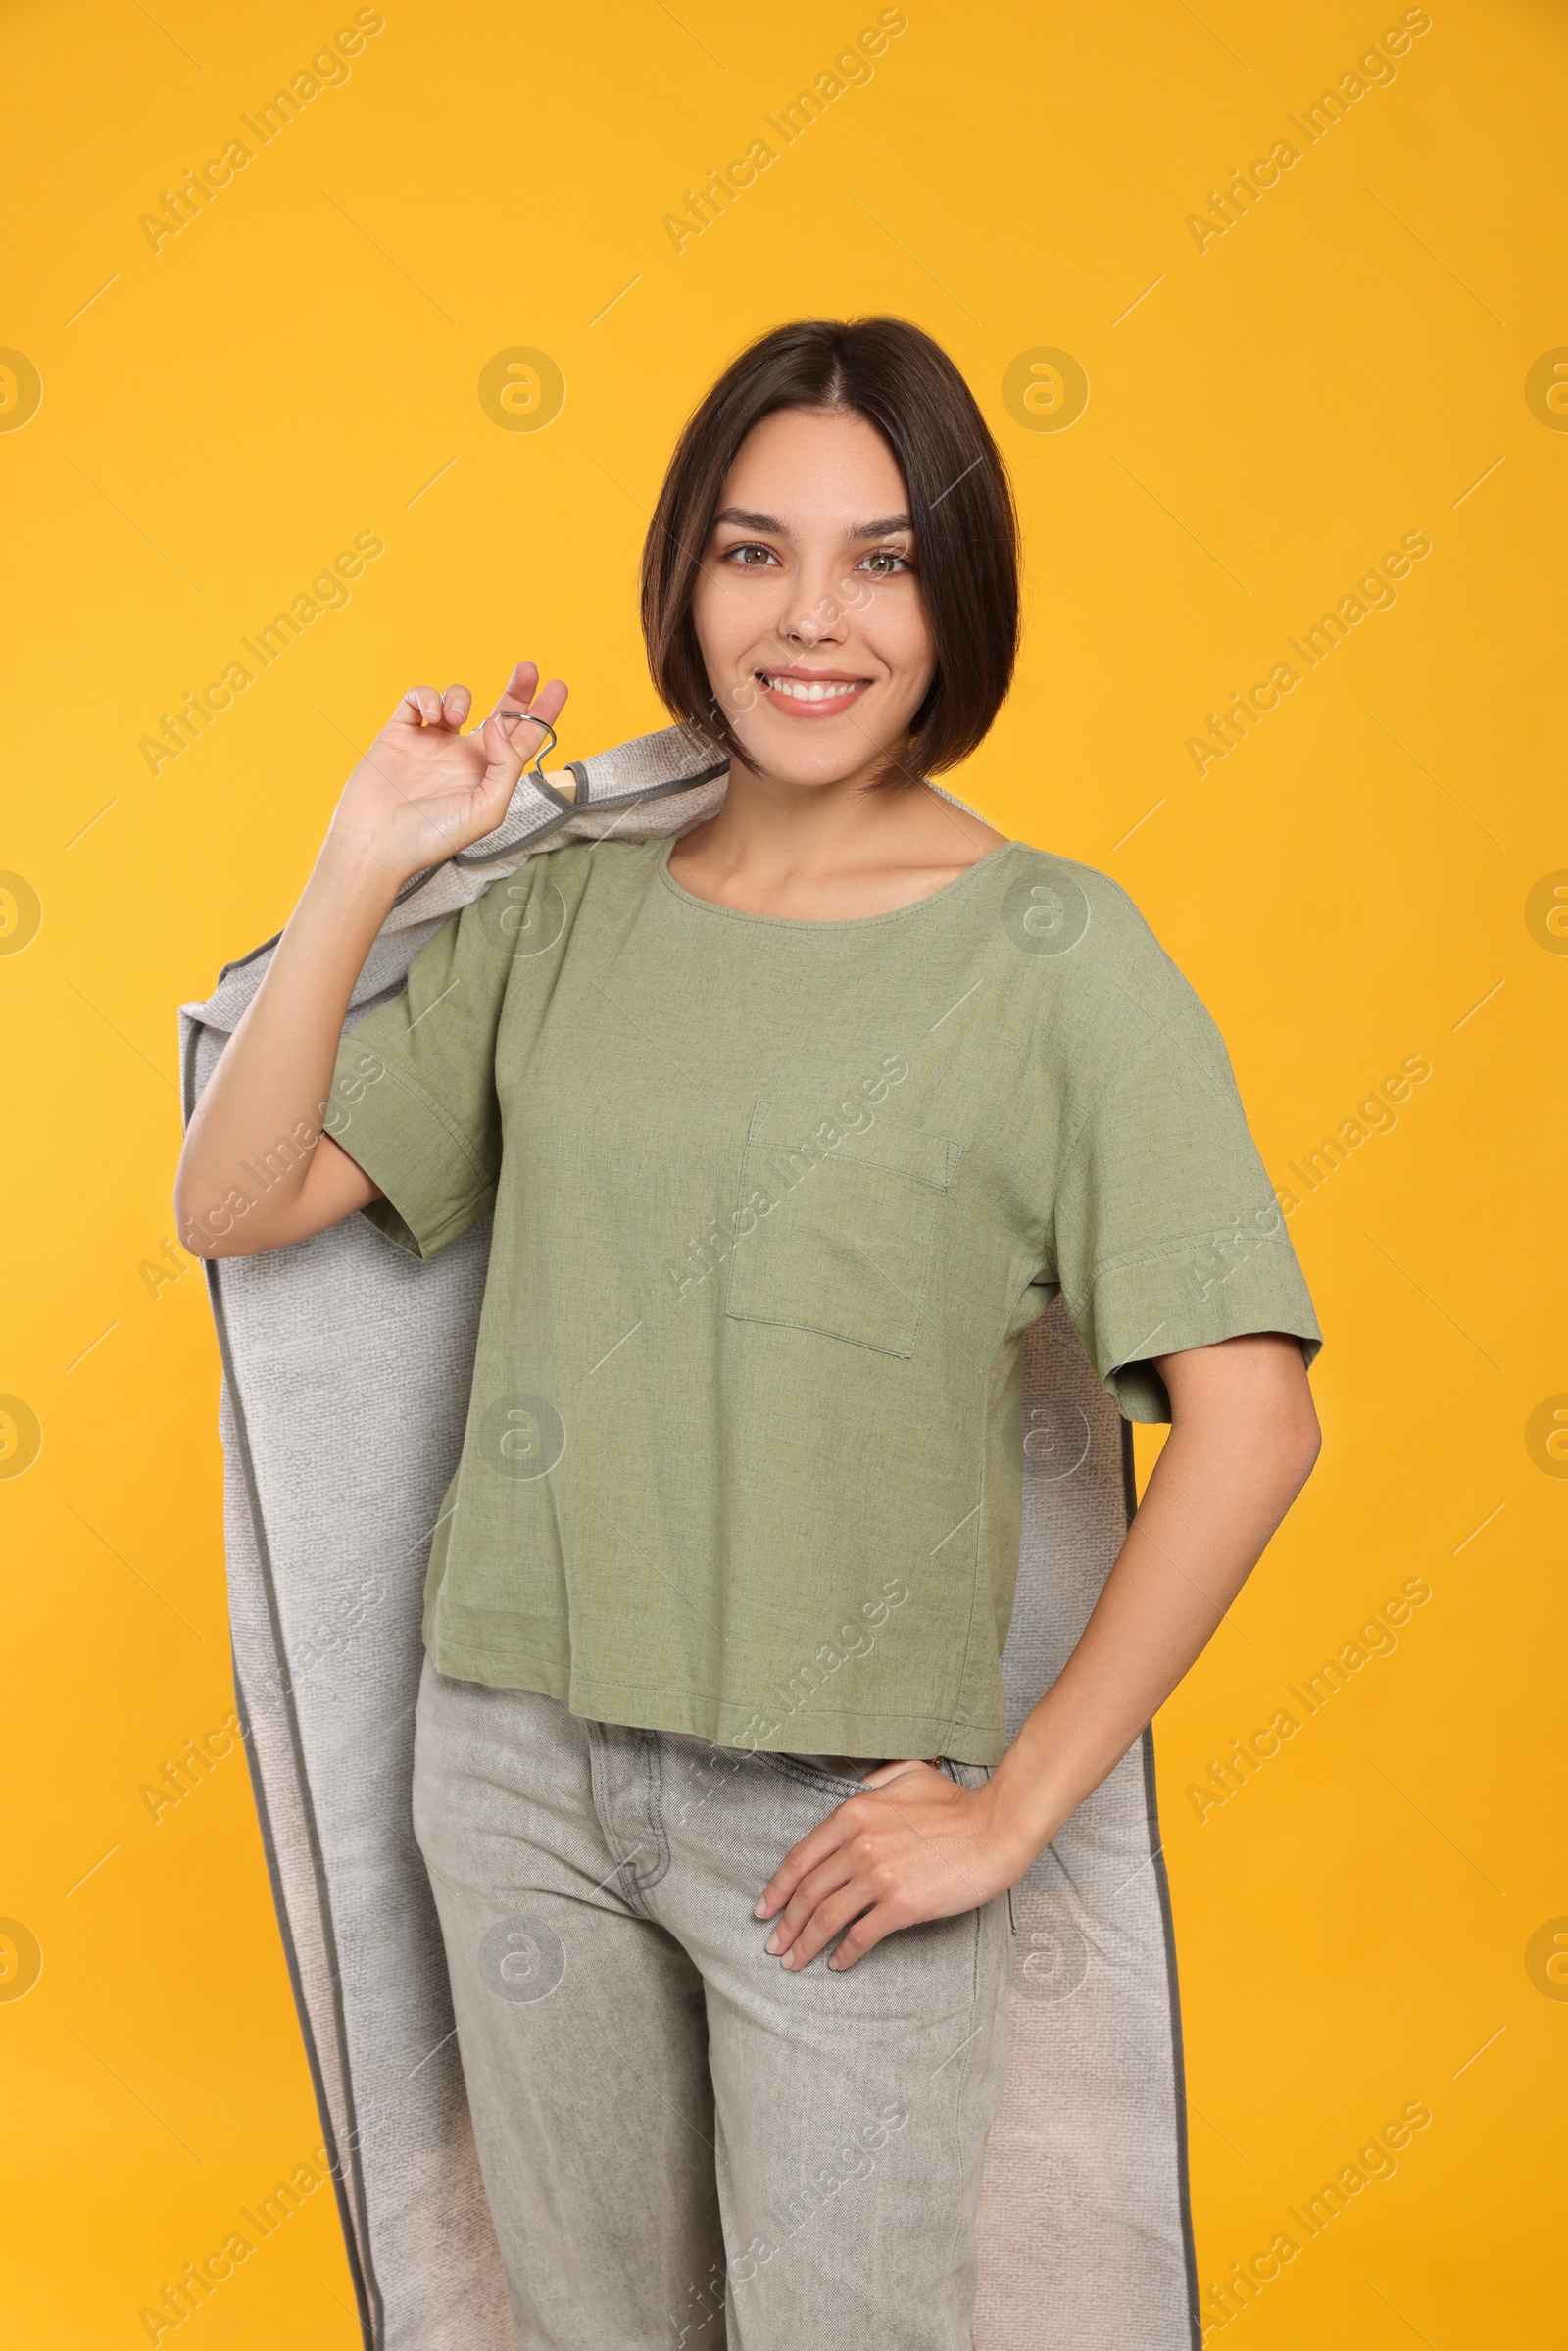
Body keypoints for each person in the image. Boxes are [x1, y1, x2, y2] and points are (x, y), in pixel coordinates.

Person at [174, 317, 1321, 2351]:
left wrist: (1015, 1804)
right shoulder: (558, 917)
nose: (811, 619)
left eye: (881, 559)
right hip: (512, 1765)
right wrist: (367, 861)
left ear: (956, 601)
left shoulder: (1058, 955)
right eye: (750, 549)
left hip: (833, 1816)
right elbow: (234, 1201)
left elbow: (1251, 1424)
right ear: (681, 582)